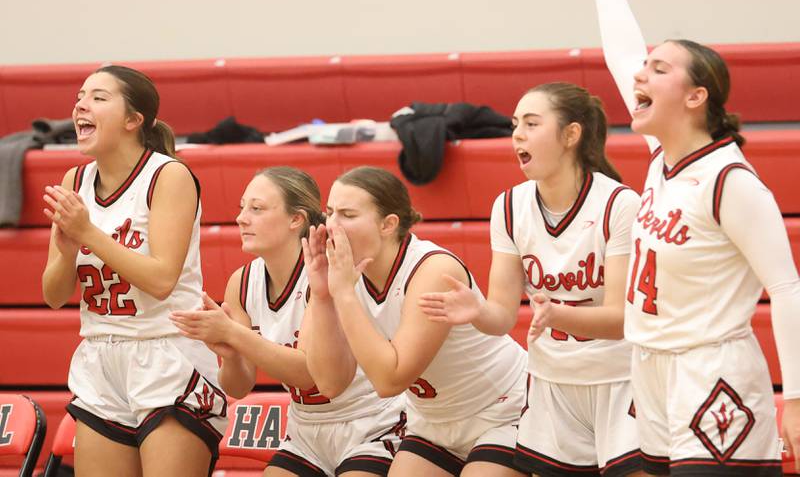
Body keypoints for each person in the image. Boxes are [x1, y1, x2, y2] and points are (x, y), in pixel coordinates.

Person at [572, 0, 800, 474]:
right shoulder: (661, 161)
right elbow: (621, 55)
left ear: (696, 96)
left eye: (658, 69)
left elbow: (787, 288)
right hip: (650, 367)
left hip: (712, 370)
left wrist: (795, 397)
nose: (639, 78)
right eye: (644, 70)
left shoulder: (730, 182)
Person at [419, 82, 645, 477]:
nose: (517, 135)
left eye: (531, 123)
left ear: (571, 134)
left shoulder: (619, 204)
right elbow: (502, 317)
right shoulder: (508, 206)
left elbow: (621, 319)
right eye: (514, 125)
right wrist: (477, 311)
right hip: (552, 383)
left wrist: (557, 315)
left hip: (620, 378)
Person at [41, 65, 226, 477]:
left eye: (98, 97)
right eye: (79, 96)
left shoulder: (168, 175)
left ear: (133, 120)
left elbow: (162, 280)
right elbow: (53, 296)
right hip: (99, 357)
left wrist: (88, 232)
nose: (81, 105)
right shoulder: (75, 179)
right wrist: (69, 251)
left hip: (167, 352)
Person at [170, 166, 405, 477]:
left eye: (257, 209)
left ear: (297, 219)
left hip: (370, 419)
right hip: (306, 427)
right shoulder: (242, 282)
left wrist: (235, 335)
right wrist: (229, 353)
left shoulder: (326, 271)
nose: (242, 218)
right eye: (242, 207)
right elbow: (238, 386)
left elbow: (308, 373)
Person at [302, 166, 528, 477]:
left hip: (502, 410)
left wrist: (343, 294)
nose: (331, 226)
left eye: (348, 215)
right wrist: (323, 295)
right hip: (432, 422)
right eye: (329, 212)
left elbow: (389, 380)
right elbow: (329, 383)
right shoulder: (343, 276)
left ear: (388, 224)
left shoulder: (432, 270)